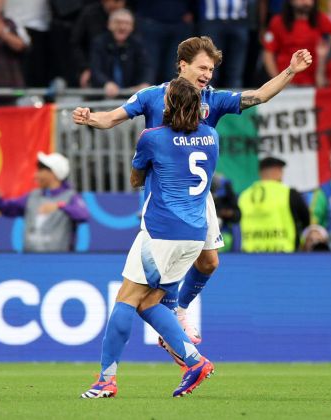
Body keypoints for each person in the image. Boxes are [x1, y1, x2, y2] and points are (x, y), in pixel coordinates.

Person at [73, 36, 312, 342]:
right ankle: (171, 331)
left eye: (211, 70)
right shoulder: (151, 96)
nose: (207, 75)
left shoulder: (214, 99)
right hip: (164, 201)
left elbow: (259, 96)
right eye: (202, 68)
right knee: (152, 283)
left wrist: (290, 70)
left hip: (198, 197)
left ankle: (178, 310)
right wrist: (90, 117)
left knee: (210, 262)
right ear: (182, 65)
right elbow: (112, 118)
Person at [81, 77, 217, 399]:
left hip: (161, 231)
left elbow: (135, 178)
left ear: (169, 105)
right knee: (150, 302)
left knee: (127, 298)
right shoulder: (212, 136)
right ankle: (194, 361)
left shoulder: (152, 137)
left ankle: (106, 380)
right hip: (195, 235)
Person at [0, 152, 89, 252]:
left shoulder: (71, 196)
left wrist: (60, 206)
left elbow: (83, 215)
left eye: (40, 170)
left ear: (53, 173)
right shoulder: (33, 195)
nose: (36, 175)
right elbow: (8, 209)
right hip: (31, 260)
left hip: (59, 262)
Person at [263, 0, 331, 87]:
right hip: (286, 83)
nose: (306, 2)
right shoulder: (277, 22)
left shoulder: (320, 19)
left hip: (313, 83)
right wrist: (277, 82)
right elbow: (268, 54)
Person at [238, 157, 310, 253]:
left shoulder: (244, 196)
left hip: (250, 253)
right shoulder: (289, 193)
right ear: (277, 171)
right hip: (283, 253)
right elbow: (306, 220)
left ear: (260, 173)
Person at [89, 8, 150, 98]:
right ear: (109, 25)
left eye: (127, 23)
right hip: (103, 95)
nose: (122, 27)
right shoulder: (99, 43)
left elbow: (147, 67)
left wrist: (144, 83)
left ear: (132, 27)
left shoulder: (138, 44)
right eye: (118, 22)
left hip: (130, 96)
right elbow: (95, 69)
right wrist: (106, 83)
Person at [71, 0, 126, 88]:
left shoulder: (126, 16)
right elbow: (76, 44)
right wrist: (85, 68)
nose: (118, 4)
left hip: (121, 71)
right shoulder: (89, 14)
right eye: (115, 1)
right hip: (93, 68)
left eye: (121, 1)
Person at [210, 173, 240, 252]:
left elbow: (237, 215)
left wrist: (225, 213)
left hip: (222, 233)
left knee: (225, 241)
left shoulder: (225, 186)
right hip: (199, 235)